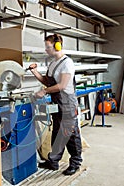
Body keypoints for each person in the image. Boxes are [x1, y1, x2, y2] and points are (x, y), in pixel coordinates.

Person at [28, 34, 82, 175]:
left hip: (67, 103)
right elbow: (47, 81)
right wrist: (34, 71)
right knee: (57, 132)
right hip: (57, 102)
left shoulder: (67, 63)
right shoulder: (52, 64)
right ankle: (53, 161)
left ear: (57, 46)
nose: (46, 49)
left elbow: (62, 85)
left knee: (70, 134)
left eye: (48, 47)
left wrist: (44, 92)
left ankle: (76, 163)